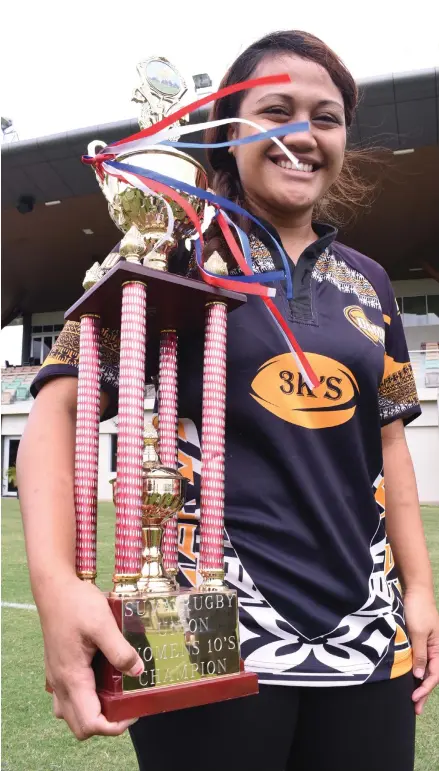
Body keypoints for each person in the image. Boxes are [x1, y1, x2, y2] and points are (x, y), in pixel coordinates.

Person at [18, 30, 439, 771]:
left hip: (364, 630)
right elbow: (56, 408)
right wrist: (57, 587)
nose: (302, 135)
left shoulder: (368, 283)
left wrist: (421, 590)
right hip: (196, 618)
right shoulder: (166, 251)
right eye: (277, 110)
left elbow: (390, 446)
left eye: (326, 116)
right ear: (228, 132)